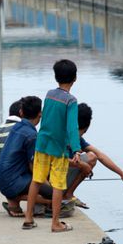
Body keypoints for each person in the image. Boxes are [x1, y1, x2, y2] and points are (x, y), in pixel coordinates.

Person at [22, 59, 80, 233]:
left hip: (42, 144)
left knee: (36, 180)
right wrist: (76, 149)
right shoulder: (71, 101)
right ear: (75, 78)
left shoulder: (49, 95)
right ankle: (55, 223)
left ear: (56, 77)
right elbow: (72, 127)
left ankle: (28, 218)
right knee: (58, 185)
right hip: (58, 148)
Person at [63, 103, 123, 208]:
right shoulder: (61, 135)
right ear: (86, 128)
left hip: (61, 177)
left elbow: (100, 155)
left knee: (92, 156)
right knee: (90, 158)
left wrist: (122, 174)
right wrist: (82, 165)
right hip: (52, 179)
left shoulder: (78, 139)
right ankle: (64, 195)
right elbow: (55, 159)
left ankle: (68, 194)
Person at [0, 96, 55, 217]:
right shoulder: (31, 135)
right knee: (54, 192)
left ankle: (14, 202)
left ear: (21, 112)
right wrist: (50, 187)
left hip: (2, 180)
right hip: (13, 183)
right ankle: (18, 198)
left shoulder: (17, 127)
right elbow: (34, 168)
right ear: (40, 114)